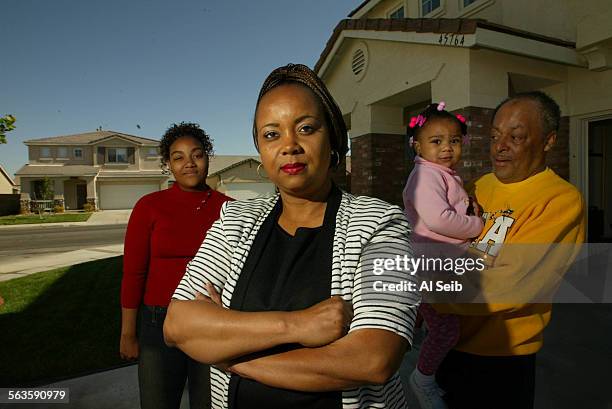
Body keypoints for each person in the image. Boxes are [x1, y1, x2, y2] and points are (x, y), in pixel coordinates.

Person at [163, 63, 419, 409]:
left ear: (332, 138)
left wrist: (234, 357)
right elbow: (178, 324)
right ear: (260, 151)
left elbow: (373, 358)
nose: (290, 146)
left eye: (306, 128)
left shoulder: (382, 223)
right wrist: (298, 325)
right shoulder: (235, 219)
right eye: (272, 134)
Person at [434, 91, 586, 409]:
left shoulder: (559, 200)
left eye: (515, 136)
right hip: (447, 345)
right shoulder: (478, 186)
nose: (500, 146)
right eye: (494, 136)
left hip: (501, 359)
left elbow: (510, 287)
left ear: (548, 141)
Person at [120, 122, 232, 409]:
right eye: (178, 157)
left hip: (210, 323)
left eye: (197, 154)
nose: (189, 163)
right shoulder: (149, 206)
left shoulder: (228, 209)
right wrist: (128, 334)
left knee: (211, 404)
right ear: (168, 163)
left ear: (208, 157)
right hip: (158, 325)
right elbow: (134, 273)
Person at [402, 102, 484, 409]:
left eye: (454, 141)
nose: (447, 148)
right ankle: (423, 377)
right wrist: (476, 225)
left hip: (434, 262)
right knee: (447, 330)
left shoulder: (441, 173)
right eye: (436, 142)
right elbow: (439, 220)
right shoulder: (426, 177)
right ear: (417, 145)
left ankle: (410, 327)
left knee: (427, 313)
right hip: (432, 266)